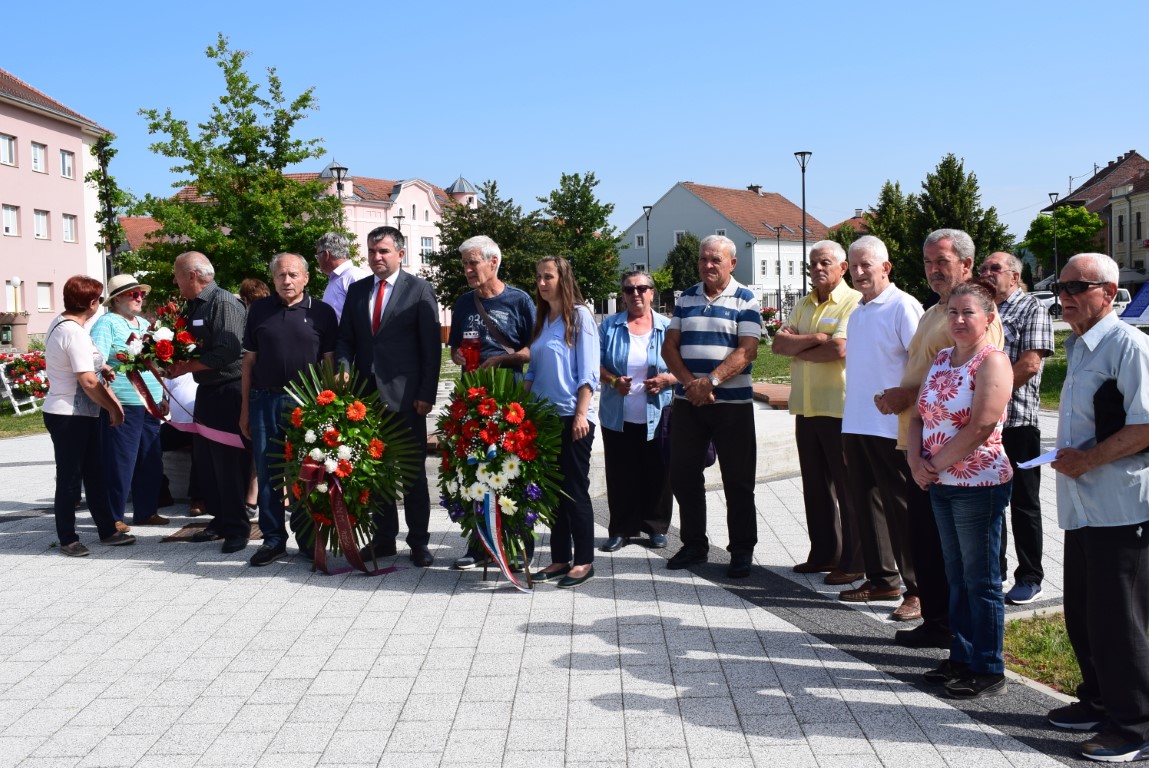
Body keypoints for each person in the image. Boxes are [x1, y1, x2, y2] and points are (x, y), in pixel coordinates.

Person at [877, 229, 1003, 650]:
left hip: (959, 462)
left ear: (966, 265)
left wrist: (904, 397)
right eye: (928, 262)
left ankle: (961, 639)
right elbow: (933, 376)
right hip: (921, 445)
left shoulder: (980, 318)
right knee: (928, 545)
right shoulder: (938, 312)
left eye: (942, 262)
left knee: (963, 562)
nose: (932, 269)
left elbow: (980, 395)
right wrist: (917, 456)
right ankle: (938, 622)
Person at [1046, 253, 1149, 762]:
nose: (1064, 297)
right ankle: (1098, 698)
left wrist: (1089, 459)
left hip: (1120, 504)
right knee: (1085, 612)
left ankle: (1134, 725)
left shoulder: (1128, 346)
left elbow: (1145, 425)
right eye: (1061, 287)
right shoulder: (1080, 345)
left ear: (1108, 293)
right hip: (1083, 502)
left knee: (1120, 619)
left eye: (1076, 288)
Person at [908, 280, 1013, 700]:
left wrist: (933, 465)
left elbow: (982, 424)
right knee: (956, 577)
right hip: (939, 482)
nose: (959, 320)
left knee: (980, 579)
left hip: (977, 484)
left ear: (989, 318)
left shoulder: (993, 361)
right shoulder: (942, 358)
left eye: (969, 312)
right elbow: (919, 415)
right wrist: (915, 462)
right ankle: (961, 655)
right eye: (953, 312)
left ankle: (988, 667)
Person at [336, 226, 440, 567]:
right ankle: (383, 541)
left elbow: (430, 349)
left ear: (400, 253)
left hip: (408, 400)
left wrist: (426, 393)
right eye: (371, 251)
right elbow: (347, 340)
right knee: (375, 474)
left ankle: (419, 543)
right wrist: (343, 366)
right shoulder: (358, 290)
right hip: (366, 401)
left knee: (412, 476)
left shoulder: (419, 290)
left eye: (382, 251)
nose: (376, 257)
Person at [662, 235, 761, 579]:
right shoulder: (686, 297)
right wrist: (692, 384)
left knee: (738, 479)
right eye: (703, 259)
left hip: (732, 405)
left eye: (715, 260)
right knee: (683, 475)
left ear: (732, 263)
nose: (708, 265)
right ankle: (693, 545)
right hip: (689, 403)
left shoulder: (746, 299)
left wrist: (712, 382)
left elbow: (748, 351)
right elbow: (669, 347)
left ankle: (742, 550)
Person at [771, 241, 865, 592]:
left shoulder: (853, 302)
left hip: (838, 408)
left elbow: (840, 349)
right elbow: (778, 345)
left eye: (825, 262)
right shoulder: (805, 303)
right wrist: (816, 339)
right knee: (815, 486)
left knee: (847, 488)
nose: (818, 269)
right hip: (806, 407)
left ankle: (855, 561)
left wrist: (802, 345)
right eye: (813, 263)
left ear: (842, 268)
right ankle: (825, 552)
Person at [840, 236, 924, 622]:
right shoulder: (858, 312)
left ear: (886, 268)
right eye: (853, 266)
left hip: (891, 424)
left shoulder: (903, 306)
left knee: (901, 508)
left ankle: (918, 588)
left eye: (866, 266)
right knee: (866, 503)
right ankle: (882, 579)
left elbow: (921, 364)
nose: (858, 273)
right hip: (857, 421)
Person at [240, 253, 339, 567]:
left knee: (305, 473)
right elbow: (249, 363)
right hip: (264, 401)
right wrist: (244, 410)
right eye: (281, 275)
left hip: (306, 406)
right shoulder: (258, 311)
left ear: (306, 278)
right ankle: (272, 540)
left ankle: (308, 538)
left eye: (293, 275)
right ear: (273, 279)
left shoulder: (323, 312)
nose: (287, 281)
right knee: (268, 474)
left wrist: (329, 410)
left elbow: (329, 364)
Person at [445, 235, 536, 570]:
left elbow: (531, 350)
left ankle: (516, 542)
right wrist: (458, 354)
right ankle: (477, 543)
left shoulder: (520, 300)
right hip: (472, 397)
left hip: (509, 396)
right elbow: (455, 347)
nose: (468, 270)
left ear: (493, 262)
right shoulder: (463, 302)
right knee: (472, 469)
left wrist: (498, 361)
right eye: (465, 264)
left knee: (510, 468)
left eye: (473, 263)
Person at [977, 251, 1052, 606]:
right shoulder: (982, 308)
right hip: (983, 424)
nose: (987, 273)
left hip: (1018, 421)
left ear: (1015, 275)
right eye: (983, 268)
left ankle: (1030, 576)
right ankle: (995, 570)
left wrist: (991, 394)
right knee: (990, 502)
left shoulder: (1031, 308)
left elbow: (1031, 364)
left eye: (995, 268)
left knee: (1023, 503)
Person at [42, 275, 136, 556]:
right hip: (70, 415)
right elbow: (88, 381)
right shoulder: (72, 331)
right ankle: (68, 539)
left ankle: (107, 529)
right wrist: (113, 407)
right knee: (70, 479)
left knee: (96, 473)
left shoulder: (67, 324)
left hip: (80, 414)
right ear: (93, 303)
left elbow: (91, 359)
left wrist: (105, 366)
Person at [166, 251, 250, 555]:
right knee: (207, 463)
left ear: (192, 275)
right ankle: (220, 520)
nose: (174, 281)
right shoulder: (194, 306)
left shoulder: (223, 302)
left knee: (227, 463)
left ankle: (237, 527)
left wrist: (186, 366)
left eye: (176, 274)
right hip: (208, 391)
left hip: (229, 390)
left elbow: (228, 351)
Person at [526, 256, 600, 588]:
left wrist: (582, 414)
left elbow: (589, 372)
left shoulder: (579, 316)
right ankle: (559, 558)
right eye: (539, 277)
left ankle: (583, 560)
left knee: (574, 490)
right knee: (553, 494)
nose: (542, 283)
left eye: (549, 277)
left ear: (563, 279)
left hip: (573, 416)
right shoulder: (543, 319)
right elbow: (532, 371)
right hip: (544, 416)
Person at [598, 270, 675, 552]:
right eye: (629, 290)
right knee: (620, 474)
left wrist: (668, 379)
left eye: (642, 289)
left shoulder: (668, 326)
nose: (636, 294)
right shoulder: (609, 326)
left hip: (658, 413)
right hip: (618, 415)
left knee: (659, 472)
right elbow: (595, 363)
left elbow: (686, 367)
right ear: (623, 295)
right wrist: (613, 380)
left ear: (652, 293)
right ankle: (621, 529)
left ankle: (656, 527)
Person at [89, 274, 169, 532]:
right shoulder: (107, 324)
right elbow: (96, 360)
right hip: (123, 402)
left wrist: (164, 395)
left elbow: (157, 364)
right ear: (117, 299)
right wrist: (109, 400)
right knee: (120, 462)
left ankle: (146, 511)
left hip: (151, 403)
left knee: (150, 459)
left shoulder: (145, 323)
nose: (139, 298)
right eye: (133, 294)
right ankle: (113, 516)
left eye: (140, 293)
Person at [315, 232, 369, 320]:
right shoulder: (337, 278)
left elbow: (366, 317)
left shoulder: (355, 277)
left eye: (317, 256)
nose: (318, 261)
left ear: (326, 255)